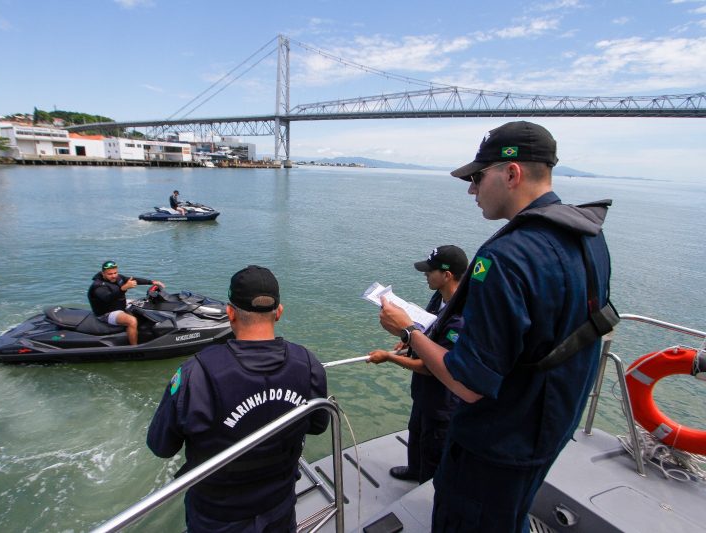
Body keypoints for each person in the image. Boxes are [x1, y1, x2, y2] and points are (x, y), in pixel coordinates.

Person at [378, 121, 614, 532]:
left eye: (477, 177)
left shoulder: (506, 259)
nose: (472, 190)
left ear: (511, 173)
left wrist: (408, 331)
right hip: (551, 422)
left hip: (500, 440)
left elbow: (468, 383)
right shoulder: (588, 236)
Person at [147, 265, 329, 533]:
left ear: (230, 312)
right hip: (279, 503)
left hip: (217, 515)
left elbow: (161, 446)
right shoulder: (308, 363)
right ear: (279, 312)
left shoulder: (196, 373)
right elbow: (319, 424)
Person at [367, 245, 468, 484]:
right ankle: (415, 470)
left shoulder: (461, 318)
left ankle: (426, 486)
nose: (425, 275)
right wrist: (408, 341)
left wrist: (389, 357)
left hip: (442, 400)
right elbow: (428, 330)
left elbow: (431, 367)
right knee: (417, 430)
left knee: (433, 444)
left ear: (447, 275)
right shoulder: (440, 296)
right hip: (423, 393)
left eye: (430, 271)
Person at [87, 260, 165, 345]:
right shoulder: (98, 286)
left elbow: (133, 280)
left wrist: (152, 282)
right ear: (103, 273)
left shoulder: (118, 278)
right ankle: (134, 348)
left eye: (115, 273)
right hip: (107, 312)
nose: (113, 276)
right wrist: (123, 288)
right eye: (110, 274)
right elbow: (108, 298)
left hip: (118, 305)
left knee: (142, 303)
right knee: (132, 321)